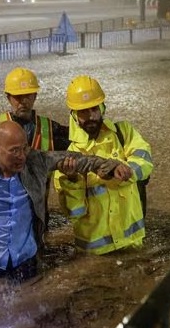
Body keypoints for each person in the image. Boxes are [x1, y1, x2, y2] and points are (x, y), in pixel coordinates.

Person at [0, 120, 130, 282]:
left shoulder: (36, 161)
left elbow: (78, 159)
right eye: (14, 150)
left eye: (24, 148)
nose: (22, 156)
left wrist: (110, 167)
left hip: (25, 259)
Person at [54, 75, 153, 254]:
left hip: (132, 243)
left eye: (94, 109)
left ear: (103, 107)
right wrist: (71, 179)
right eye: (83, 112)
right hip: (96, 254)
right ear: (74, 116)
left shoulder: (124, 133)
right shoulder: (69, 157)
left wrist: (127, 169)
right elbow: (74, 213)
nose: (90, 116)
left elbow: (145, 160)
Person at [0, 67, 70, 155]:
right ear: (8, 98)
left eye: (28, 95)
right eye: (18, 96)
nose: (24, 101)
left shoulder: (50, 128)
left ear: (35, 96)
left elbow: (77, 140)